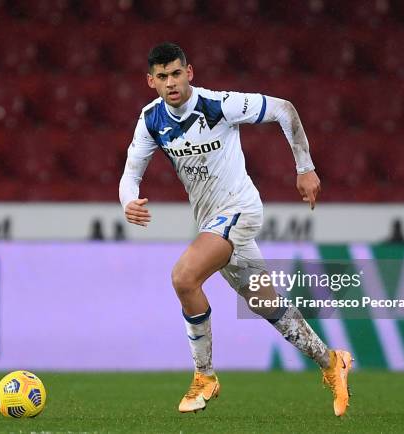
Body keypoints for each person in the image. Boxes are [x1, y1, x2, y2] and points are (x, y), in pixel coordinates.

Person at [119, 42, 353, 417]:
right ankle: (331, 362)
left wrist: (304, 167)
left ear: (189, 72)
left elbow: (283, 109)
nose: (171, 82)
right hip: (212, 221)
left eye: (176, 73)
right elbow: (130, 175)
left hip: (239, 210)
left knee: (184, 278)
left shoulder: (219, 105)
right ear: (151, 81)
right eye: (162, 77)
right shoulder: (151, 120)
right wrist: (128, 201)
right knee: (266, 304)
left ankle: (205, 376)